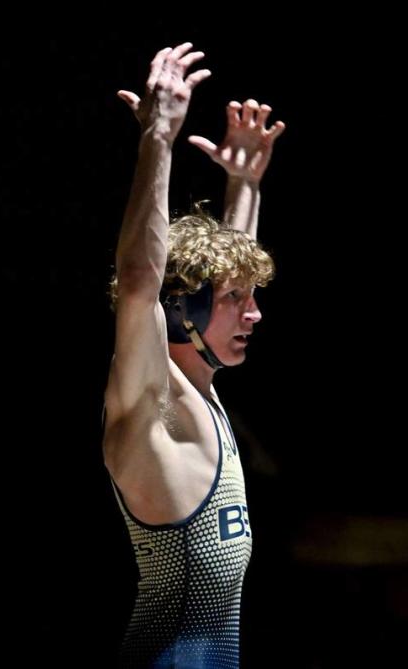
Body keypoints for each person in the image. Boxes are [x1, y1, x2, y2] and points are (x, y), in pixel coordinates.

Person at [103, 42, 285, 667]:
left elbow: (219, 276)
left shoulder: (200, 392)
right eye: (238, 299)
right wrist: (158, 137)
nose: (255, 314)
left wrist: (243, 186)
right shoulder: (152, 401)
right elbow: (140, 281)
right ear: (183, 311)